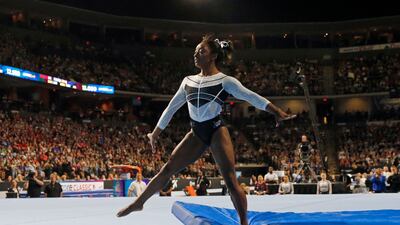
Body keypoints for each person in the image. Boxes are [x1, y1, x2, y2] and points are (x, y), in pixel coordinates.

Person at [116, 34, 295, 225]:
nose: (196, 54)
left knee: (230, 180)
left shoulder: (225, 81)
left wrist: (276, 111)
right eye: (195, 51)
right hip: (196, 133)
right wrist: (155, 133)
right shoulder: (187, 81)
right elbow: (171, 107)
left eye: (201, 51)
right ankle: (139, 202)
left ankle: (243, 222)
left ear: (213, 56)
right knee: (167, 168)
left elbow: (252, 97)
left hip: (217, 130)